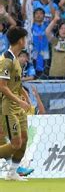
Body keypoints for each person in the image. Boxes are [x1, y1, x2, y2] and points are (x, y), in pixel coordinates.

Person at [0, 26, 32, 181]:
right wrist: (20, 100)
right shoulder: (6, 60)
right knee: (15, 144)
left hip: (18, 107)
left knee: (24, 139)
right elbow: (2, 86)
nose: (25, 41)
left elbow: (17, 84)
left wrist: (25, 96)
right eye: (24, 39)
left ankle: (12, 173)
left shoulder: (16, 59)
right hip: (9, 107)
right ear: (20, 40)